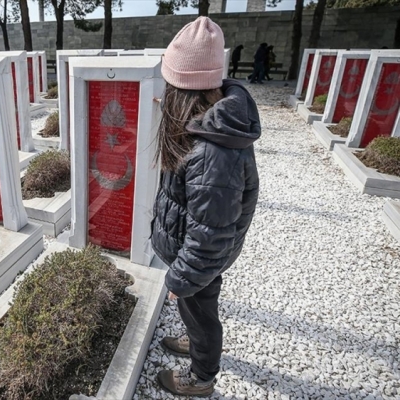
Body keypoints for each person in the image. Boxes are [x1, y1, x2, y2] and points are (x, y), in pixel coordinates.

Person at [152, 16, 260, 397]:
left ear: (183, 90)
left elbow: (210, 235)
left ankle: (201, 377)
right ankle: (195, 340)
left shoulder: (213, 153)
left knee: (201, 308)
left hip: (198, 259)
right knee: (197, 308)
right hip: (191, 255)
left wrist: (180, 279)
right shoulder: (203, 126)